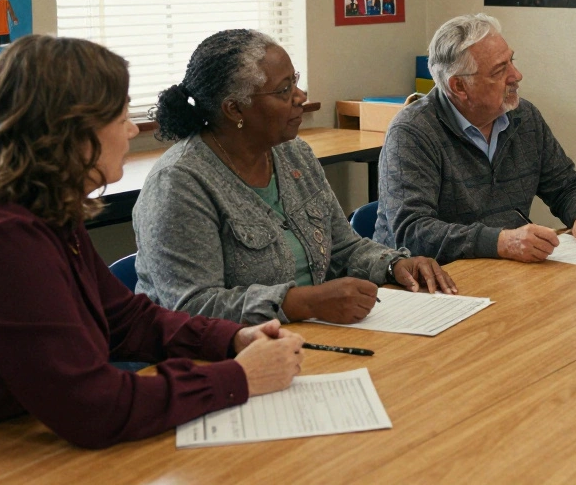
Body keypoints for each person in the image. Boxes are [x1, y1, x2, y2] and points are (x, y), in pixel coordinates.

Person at [0, 35, 304, 452]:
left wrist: (230, 339)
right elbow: (93, 408)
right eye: (119, 116)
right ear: (73, 131)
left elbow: (125, 319)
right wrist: (239, 379)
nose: (133, 128)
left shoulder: (44, 210)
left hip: (7, 437)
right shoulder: (2, 241)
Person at [133, 29, 456, 326]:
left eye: (295, 81)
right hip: (218, 360)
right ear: (234, 109)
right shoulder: (179, 183)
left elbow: (343, 248)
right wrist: (303, 303)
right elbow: (191, 308)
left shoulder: (293, 154)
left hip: (308, 336)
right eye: (284, 89)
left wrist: (393, 265)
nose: (300, 96)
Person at [374, 14, 576, 264]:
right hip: (428, 283)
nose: (517, 75)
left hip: (503, 271)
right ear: (459, 87)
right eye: (500, 70)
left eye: (512, 61)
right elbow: (412, 233)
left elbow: (567, 185)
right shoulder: (412, 132)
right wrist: (501, 242)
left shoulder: (523, 117)